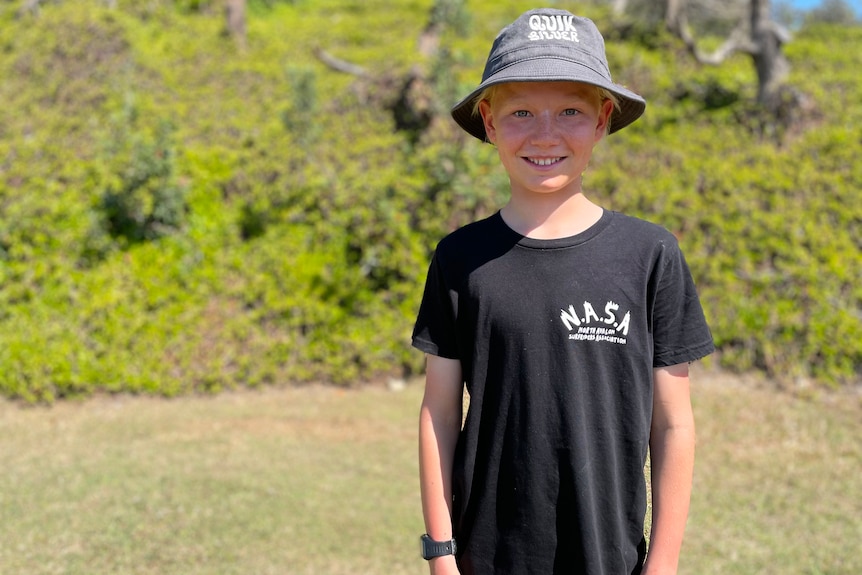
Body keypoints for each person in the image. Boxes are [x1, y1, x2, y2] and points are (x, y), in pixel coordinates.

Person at [412, 8, 714, 575]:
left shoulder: (650, 254)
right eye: (521, 110)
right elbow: (438, 411)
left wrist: (665, 563)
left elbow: (673, 423)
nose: (545, 134)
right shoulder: (460, 257)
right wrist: (441, 553)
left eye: (570, 111)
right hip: (486, 556)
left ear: (602, 119)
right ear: (490, 120)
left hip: (612, 556)